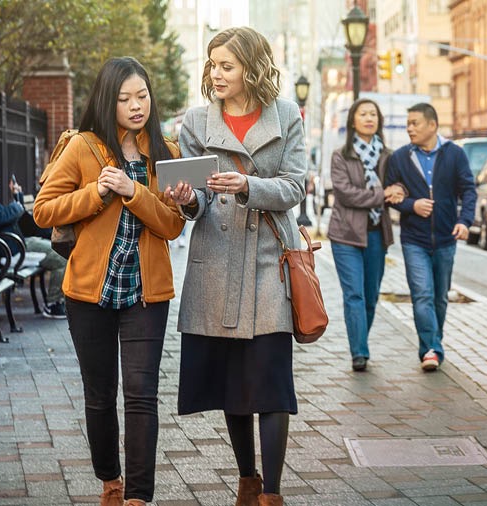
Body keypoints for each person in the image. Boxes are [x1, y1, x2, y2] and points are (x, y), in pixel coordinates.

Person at [33, 57, 185, 506]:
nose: (136, 106)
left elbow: (172, 226)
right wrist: (97, 191)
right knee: (100, 396)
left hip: (146, 293)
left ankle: (138, 497)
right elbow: (43, 209)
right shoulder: (82, 147)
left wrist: (132, 192)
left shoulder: (166, 152)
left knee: (141, 396)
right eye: (124, 99)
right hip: (89, 294)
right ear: (107, 100)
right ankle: (110, 483)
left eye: (142, 96)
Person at [166, 27, 306, 506]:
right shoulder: (196, 121)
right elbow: (197, 201)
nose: (216, 73)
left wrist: (247, 186)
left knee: (269, 379)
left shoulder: (285, 115)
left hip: (269, 260)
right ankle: (246, 478)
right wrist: (187, 200)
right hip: (217, 262)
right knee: (232, 383)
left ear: (251, 66)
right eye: (212, 65)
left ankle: (271, 492)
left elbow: (295, 189)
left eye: (226, 65)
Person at [385, 103, 477, 372]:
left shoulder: (455, 154)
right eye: (408, 123)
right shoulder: (400, 158)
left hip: (447, 238)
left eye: (415, 123)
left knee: (440, 298)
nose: (409, 128)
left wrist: (465, 221)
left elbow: (468, 190)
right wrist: (411, 205)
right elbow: (391, 196)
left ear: (433, 125)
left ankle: (434, 342)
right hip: (414, 239)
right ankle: (430, 349)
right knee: (422, 295)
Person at [326, 98, 405, 372]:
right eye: (363, 114)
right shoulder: (341, 155)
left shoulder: (389, 156)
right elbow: (346, 193)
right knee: (354, 295)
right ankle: (359, 352)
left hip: (376, 234)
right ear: (353, 121)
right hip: (345, 234)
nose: (369, 118)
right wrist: (382, 194)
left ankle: (361, 340)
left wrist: (397, 193)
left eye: (374, 114)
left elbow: (398, 187)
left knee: (371, 296)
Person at [0, 167, 68, 318]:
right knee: (60, 258)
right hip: (9, 251)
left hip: (16, 245)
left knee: (60, 249)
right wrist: (15, 206)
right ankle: (54, 304)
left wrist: (17, 198)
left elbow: (12, 219)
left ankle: (58, 301)